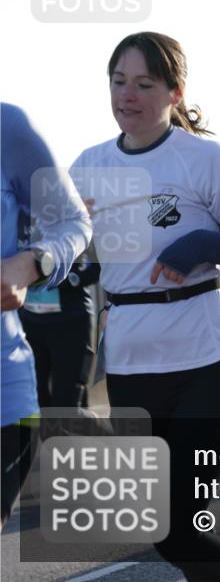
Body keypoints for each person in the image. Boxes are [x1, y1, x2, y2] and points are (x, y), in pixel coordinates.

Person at [70, 32, 220, 580]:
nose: (127, 95)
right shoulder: (86, 168)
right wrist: (68, 237)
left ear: (175, 93)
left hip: (205, 360)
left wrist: (203, 244)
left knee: (181, 523)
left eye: (144, 84)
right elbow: (65, 261)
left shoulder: (204, 159)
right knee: (161, 526)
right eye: (118, 82)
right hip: (133, 366)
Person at [1, 103, 92, 524]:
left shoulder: (7, 127)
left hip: (3, 388)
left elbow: (73, 222)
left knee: (65, 408)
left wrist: (31, 263)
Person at [17, 237, 99, 409]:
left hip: (70, 320)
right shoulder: (17, 220)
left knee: (67, 398)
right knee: (33, 395)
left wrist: (69, 279)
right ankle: (40, 436)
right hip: (29, 321)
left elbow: (97, 265)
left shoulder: (73, 220)